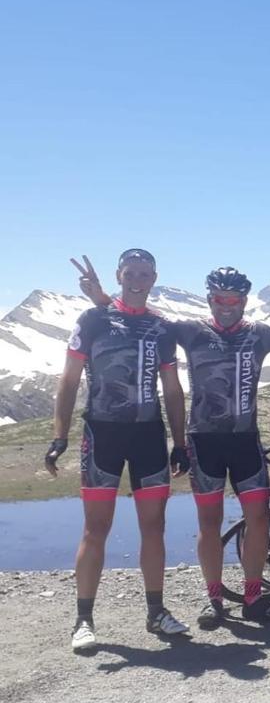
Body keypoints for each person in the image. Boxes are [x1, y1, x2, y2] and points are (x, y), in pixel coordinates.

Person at [73, 262, 270, 626]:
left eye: (233, 298)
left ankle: (253, 598)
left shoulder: (259, 333)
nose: (226, 304)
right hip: (203, 442)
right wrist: (104, 299)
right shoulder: (188, 330)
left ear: (244, 300)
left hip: (245, 439)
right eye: (219, 298)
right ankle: (213, 599)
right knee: (210, 523)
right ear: (210, 298)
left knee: (259, 518)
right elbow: (136, 313)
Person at [46, 249, 190, 652]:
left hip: (148, 435)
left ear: (155, 276)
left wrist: (180, 442)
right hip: (102, 434)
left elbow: (174, 390)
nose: (138, 279)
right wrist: (60, 436)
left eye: (145, 273)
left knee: (154, 527)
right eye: (131, 272)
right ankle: (84, 620)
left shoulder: (160, 327)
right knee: (96, 529)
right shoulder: (92, 320)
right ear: (119, 274)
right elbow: (69, 380)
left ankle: (157, 612)